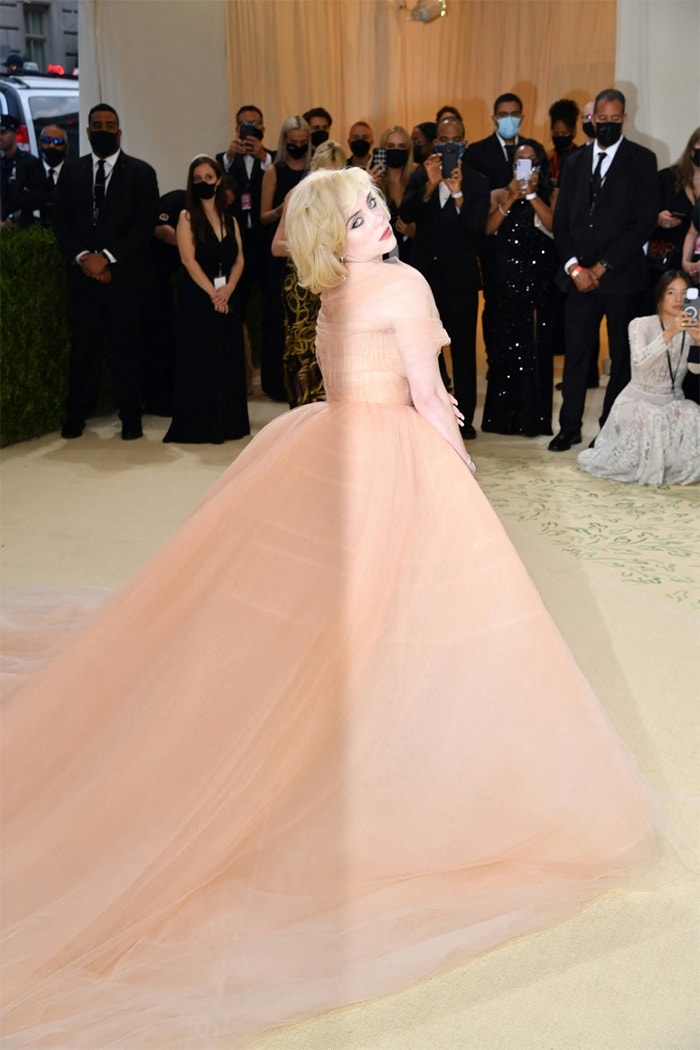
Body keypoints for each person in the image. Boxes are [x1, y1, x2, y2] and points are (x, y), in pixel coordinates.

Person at [0, 166, 660, 1050]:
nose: (378, 220)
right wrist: (458, 472)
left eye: (376, 206)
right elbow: (430, 398)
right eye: (358, 215)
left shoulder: (338, 289)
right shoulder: (405, 281)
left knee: (337, 613)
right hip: (396, 455)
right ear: (335, 235)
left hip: (334, 443)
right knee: (429, 611)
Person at [549, 88, 659, 451]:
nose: (608, 126)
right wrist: (574, 268)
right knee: (577, 355)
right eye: (602, 120)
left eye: (614, 121)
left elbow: (642, 222)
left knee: (621, 359)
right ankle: (568, 427)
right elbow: (561, 221)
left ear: (624, 118)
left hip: (621, 279)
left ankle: (610, 429)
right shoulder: (576, 161)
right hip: (579, 279)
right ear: (592, 119)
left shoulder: (642, 160)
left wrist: (602, 266)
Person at [53, 103, 160, 440]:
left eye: (109, 124)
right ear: (87, 132)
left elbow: (144, 224)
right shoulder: (71, 172)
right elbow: (62, 221)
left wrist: (108, 258)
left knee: (126, 351)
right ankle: (75, 417)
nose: (103, 129)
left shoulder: (141, 172)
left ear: (119, 131)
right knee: (83, 351)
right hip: (84, 280)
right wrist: (86, 257)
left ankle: (131, 418)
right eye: (96, 124)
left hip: (125, 280)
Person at [400, 115, 490, 437]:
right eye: (443, 139)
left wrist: (456, 193)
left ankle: (464, 419)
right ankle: (433, 411)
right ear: (435, 142)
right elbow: (406, 214)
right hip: (425, 280)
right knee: (426, 350)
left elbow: (475, 228)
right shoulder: (421, 173)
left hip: (460, 280)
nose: (449, 145)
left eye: (456, 140)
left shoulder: (477, 181)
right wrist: (429, 184)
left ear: (464, 142)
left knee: (464, 351)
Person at [577, 270, 700, 485]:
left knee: (693, 411)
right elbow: (640, 363)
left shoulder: (689, 330)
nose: (678, 299)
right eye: (671, 292)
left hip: (671, 401)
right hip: (637, 401)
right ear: (661, 296)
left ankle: (674, 466)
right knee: (653, 417)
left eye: (683, 293)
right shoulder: (640, 325)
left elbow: (695, 369)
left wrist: (698, 341)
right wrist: (669, 332)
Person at [163, 155, 249, 444]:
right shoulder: (186, 217)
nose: (203, 183)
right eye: (197, 179)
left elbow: (239, 260)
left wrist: (228, 290)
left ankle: (230, 424)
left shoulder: (231, 219)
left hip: (227, 298)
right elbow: (188, 260)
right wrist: (213, 292)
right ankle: (200, 426)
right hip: (199, 299)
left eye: (208, 178)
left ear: (219, 180)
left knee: (228, 360)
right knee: (200, 362)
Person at [481, 140, 557, 436]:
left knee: (535, 349)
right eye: (518, 162)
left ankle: (532, 420)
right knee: (504, 350)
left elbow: (555, 228)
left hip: (538, 285)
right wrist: (512, 197)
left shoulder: (552, 193)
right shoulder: (501, 193)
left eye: (530, 161)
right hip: (505, 283)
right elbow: (488, 229)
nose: (524, 167)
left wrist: (533, 194)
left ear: (539, 165)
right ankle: (501, 419)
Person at [271, 139, 348, 406]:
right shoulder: (297, 195)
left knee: (335, 346)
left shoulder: (348, 199)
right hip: (302, 284)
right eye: (325, 172)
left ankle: (332, 414)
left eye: (336, 173)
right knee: (303, 348)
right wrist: (311, 248)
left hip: (336, 280)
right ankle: (302, 410)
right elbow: (276, 246)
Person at [215, 105, 274, 364]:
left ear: (263, 128)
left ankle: (271, 369)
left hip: (266, 242)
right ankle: (235, 368)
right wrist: (229, 157)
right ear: (237, 129)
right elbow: (215, 189)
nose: (250, 128)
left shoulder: (274, 160)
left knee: (272, 306)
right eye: (245, 124)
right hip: (235, 244)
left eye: (255, 124)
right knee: (235, 304)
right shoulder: (223, 160)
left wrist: (264, 159)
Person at [259, 114, 311, 400]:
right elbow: (264, 216)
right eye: (293, 143)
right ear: (284, 142)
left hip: (308, 258)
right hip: (279, 258)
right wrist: (285, 205)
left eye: (303, 143)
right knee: (277, 320)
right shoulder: (274, 171)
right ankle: (277, 384)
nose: (298, 147)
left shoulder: (315, 173)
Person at [648, 127, 700, 279]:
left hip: (695, 268)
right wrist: (657, 219)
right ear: (691, 149)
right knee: (672, 302)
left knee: (692, 303)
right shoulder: (666, 178)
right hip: (666, 268)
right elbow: (639, 212)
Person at [377, 124, 415, 262]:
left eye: (401, 147)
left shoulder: (417, 180)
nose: (396, 151)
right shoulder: (375, 184)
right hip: (381, 260)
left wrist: (413, 232)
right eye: (391, 147)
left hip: (414, 257)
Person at [0, 113, 42, 226]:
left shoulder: (29, 162)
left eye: (3, 133)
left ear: (15, 134)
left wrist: (11, 219)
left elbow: (37, 200)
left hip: (23, 227)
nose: (0, 137)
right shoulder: (2, 163)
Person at [547, 98, 580, 187]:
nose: (560, 137)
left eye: (564, 133)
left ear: (573, 131)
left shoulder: (580, 158)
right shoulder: (547, 158)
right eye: (556, 134)